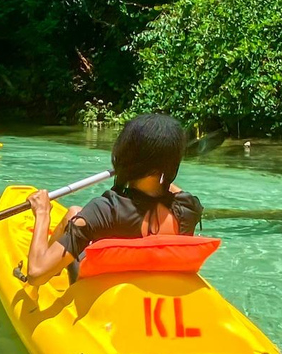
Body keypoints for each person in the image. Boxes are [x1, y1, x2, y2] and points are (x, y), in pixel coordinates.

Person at [26, 114, 204, 286]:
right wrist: (158, 165)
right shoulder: (189, 209)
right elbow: (166, 187)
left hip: (107, 300)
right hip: (154, 292)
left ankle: (50, 262)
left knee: (74, 214)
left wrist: (42, 213)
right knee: (74, 213)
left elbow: (36, 275)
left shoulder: (105, 211)